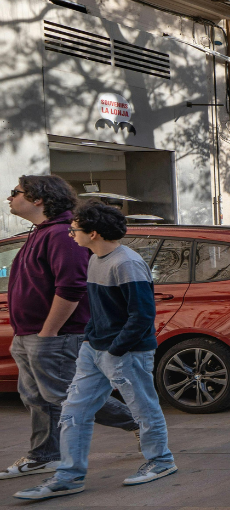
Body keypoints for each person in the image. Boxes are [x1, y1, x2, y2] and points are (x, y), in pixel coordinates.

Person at [13, 203, 175, 501]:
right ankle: (69, 476)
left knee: (143, 408)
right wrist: (90, 342)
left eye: (75, 230)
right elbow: (99, 311)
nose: (71, 234)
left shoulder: (126, 263)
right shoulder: (95, 259)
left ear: (94, 233)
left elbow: (141, 315)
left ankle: (161, 460)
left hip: (127, 352)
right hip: (94, 349)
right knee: (74, 410)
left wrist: (115, 349)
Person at [0, 176, 137, 483]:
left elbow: (72, 286)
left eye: (16, 192)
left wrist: (49, 332)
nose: (10, 198)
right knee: (37, 399)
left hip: (56, 335)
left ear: (38, 199)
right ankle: (44, 456)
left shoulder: (63, 234)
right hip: (30, 335)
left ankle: (143, 423)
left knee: (70, 396)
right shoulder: (42, 233)